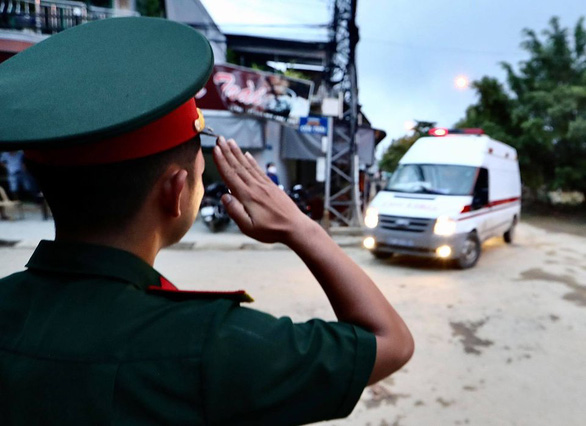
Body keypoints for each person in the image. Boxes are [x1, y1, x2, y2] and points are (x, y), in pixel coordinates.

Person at [0, 17, 414, 425]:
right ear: (175, 191)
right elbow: (390, 342)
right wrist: (301, 227)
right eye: (202, 171)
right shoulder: (211, 343)